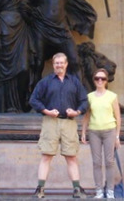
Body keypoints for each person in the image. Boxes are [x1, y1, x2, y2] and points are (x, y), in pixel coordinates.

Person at [29, 52, 89, 198]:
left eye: (62, 63)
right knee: (46, 156)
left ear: (66, 64)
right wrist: (46, 111)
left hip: (69, 123)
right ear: (53, 65)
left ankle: (76, 189)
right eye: (56, 63)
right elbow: (34, 100)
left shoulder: (74, 82)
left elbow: (84, 101)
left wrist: (77, 112)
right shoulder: (46, 82)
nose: (59, 65)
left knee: (71, 157)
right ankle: (40, 189)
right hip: (51, 122)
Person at [81, 68, 121, 199]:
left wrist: (117, 136)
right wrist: (83, 132)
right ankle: (99, 190)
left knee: (109, 161)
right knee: (96, 162)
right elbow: (87, 116)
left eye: (102, 78)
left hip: (109, 130)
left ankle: (110, 190)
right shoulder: (90, 96)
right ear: (94, 80)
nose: (100, 80)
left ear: (106, 81)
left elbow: (118, 117)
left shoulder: (112, 96)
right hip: (94, 131)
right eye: (97, 78)